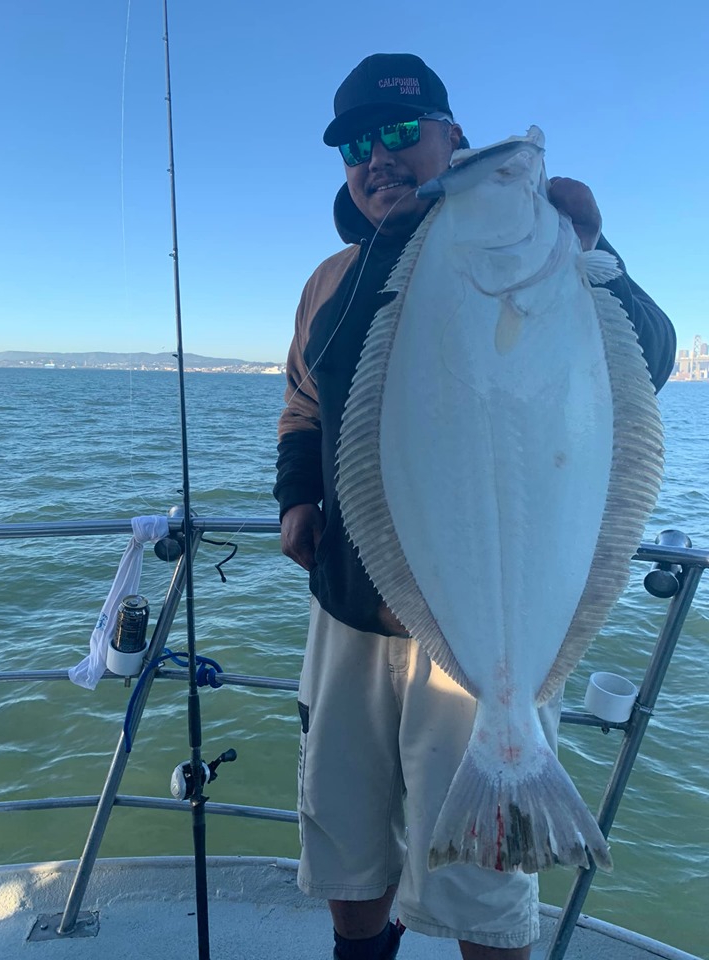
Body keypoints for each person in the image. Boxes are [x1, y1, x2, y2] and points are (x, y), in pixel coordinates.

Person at [273, 53, 676, 960]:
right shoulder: (332, 279)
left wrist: (594, 249)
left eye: (399, 134)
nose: (377, 157)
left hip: (484, 626)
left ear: (451, 139)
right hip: (346, 606)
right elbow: (307, 401)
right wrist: (298, 498)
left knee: (486, 886)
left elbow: (645, 361)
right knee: (347, 845)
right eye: (356, 145)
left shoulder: (549, 244)